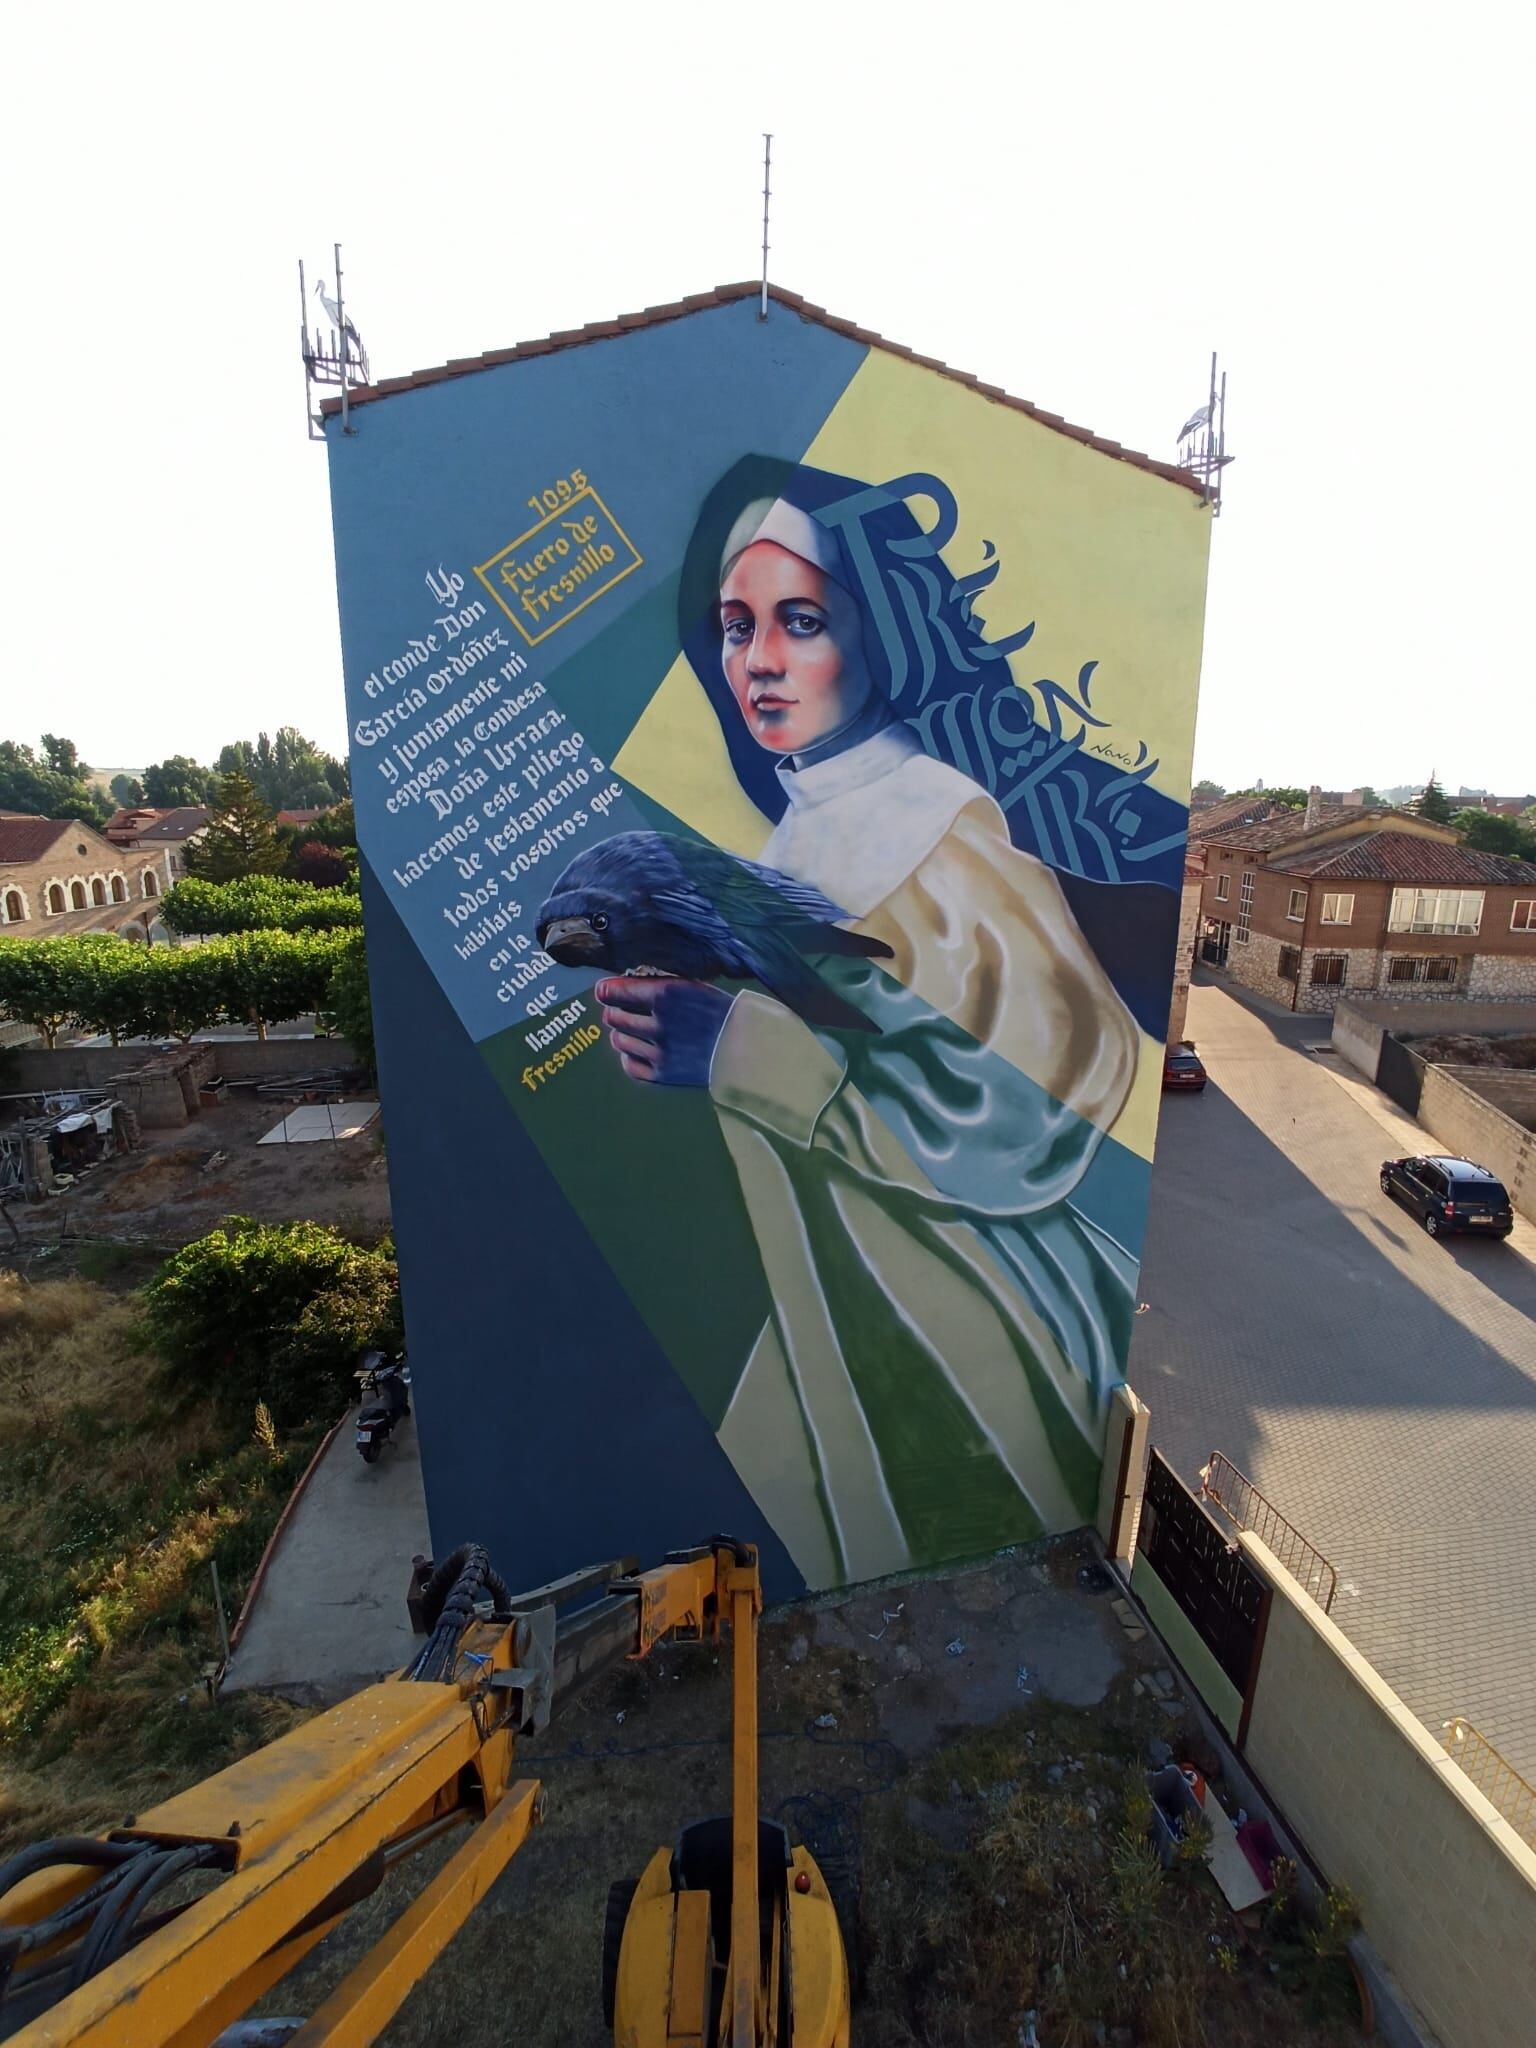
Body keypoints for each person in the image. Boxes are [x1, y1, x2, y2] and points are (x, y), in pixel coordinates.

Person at [594, 474, 1141, 1587]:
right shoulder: (801, 833)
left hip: (971, 1314)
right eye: (736, 626)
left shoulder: (938, 826)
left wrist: (733, 1048)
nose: (759, 659)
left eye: (801, 621)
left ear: (872, 631)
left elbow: (1035, 1099)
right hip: (838, 1302)